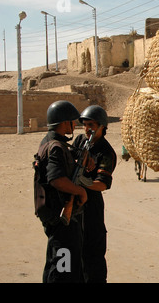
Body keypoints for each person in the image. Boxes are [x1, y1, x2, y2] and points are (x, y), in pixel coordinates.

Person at [37, 100, 88, 283]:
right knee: (62, 269)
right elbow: (56, 179)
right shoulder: (57, 147)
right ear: (64, 123)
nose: (74, 125)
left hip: (54, 214)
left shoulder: (49, 142)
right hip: (61, 217)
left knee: (57, 263)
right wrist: (80, 191)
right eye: (71, 121)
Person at [72, 105, 117, 283]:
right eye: (85, 124)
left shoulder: (106, 152)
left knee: (94, 257)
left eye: (91, 124)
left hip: (92, 207)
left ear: (102, 126)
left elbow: (102, 184)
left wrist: (84, 182)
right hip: (75, 204)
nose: (87, 128)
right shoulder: (79, 141)